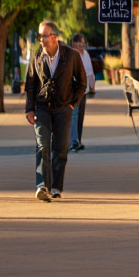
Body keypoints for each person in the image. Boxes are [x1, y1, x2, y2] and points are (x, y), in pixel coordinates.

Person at [24, 21, 85, 201]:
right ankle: (42, 185)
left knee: (61, 148)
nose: (40, 39)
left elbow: (82, 83)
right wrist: (29, 108)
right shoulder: (37, 56)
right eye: (39, 36)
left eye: (44, 35)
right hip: (42, 107)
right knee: (42, 144)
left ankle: (56, 186)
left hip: (63, 107)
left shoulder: (71, 55)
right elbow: (30, 85)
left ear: (54, 37)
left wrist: (73, 104)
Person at [69, 33, 96, 151]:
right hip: (72, 91)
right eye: (80, 42)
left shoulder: (85, 55)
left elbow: (90, 73)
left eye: (83, 42)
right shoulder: (70, 55)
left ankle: (77, 140)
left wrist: (92, 87)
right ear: (74, 44)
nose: (83, 45)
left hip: (83, 91)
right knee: (73, 116)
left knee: (80, 117)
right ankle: (73, 142)